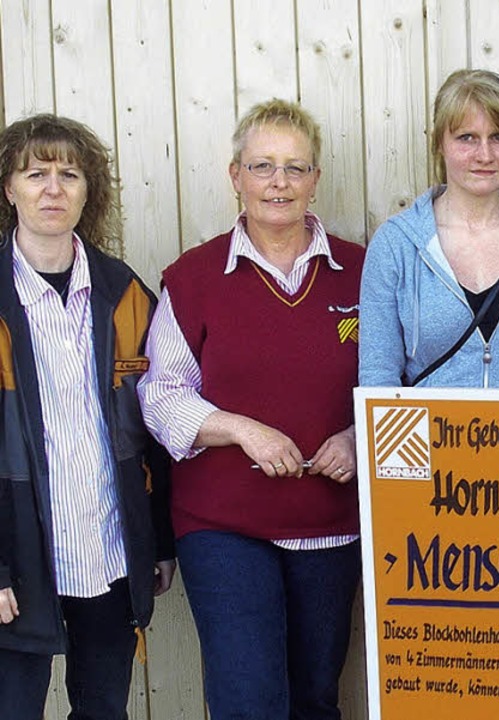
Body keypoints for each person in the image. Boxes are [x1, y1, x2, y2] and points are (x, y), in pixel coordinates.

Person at [138, 99, 363, 720]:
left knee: (316, 697)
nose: (279, 183)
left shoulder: (364, 273)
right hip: (224, 525)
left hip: (331, 521)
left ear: (316, 179)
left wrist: (355, 434)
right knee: (248, 701)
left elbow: (398, 382)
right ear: (235, 175)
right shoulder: (193, 277)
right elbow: (161, 397)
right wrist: (241, 430)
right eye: (262, 166)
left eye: (295, 167)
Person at [0, 114, 175, 720]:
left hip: (106, 549)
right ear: (10, 188)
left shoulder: (124, 292)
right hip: (16, 557)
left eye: (69, 174)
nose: (53, 188)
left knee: (103, 710)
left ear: (87, 190)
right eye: (36, 173)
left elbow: (154, 426)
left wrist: (158, 538)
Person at [360, 69, 499, 388]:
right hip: (428, 436)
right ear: (440, 143)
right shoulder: (396, 245)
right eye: (467, 138)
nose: (485, 155)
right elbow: (378, 374)